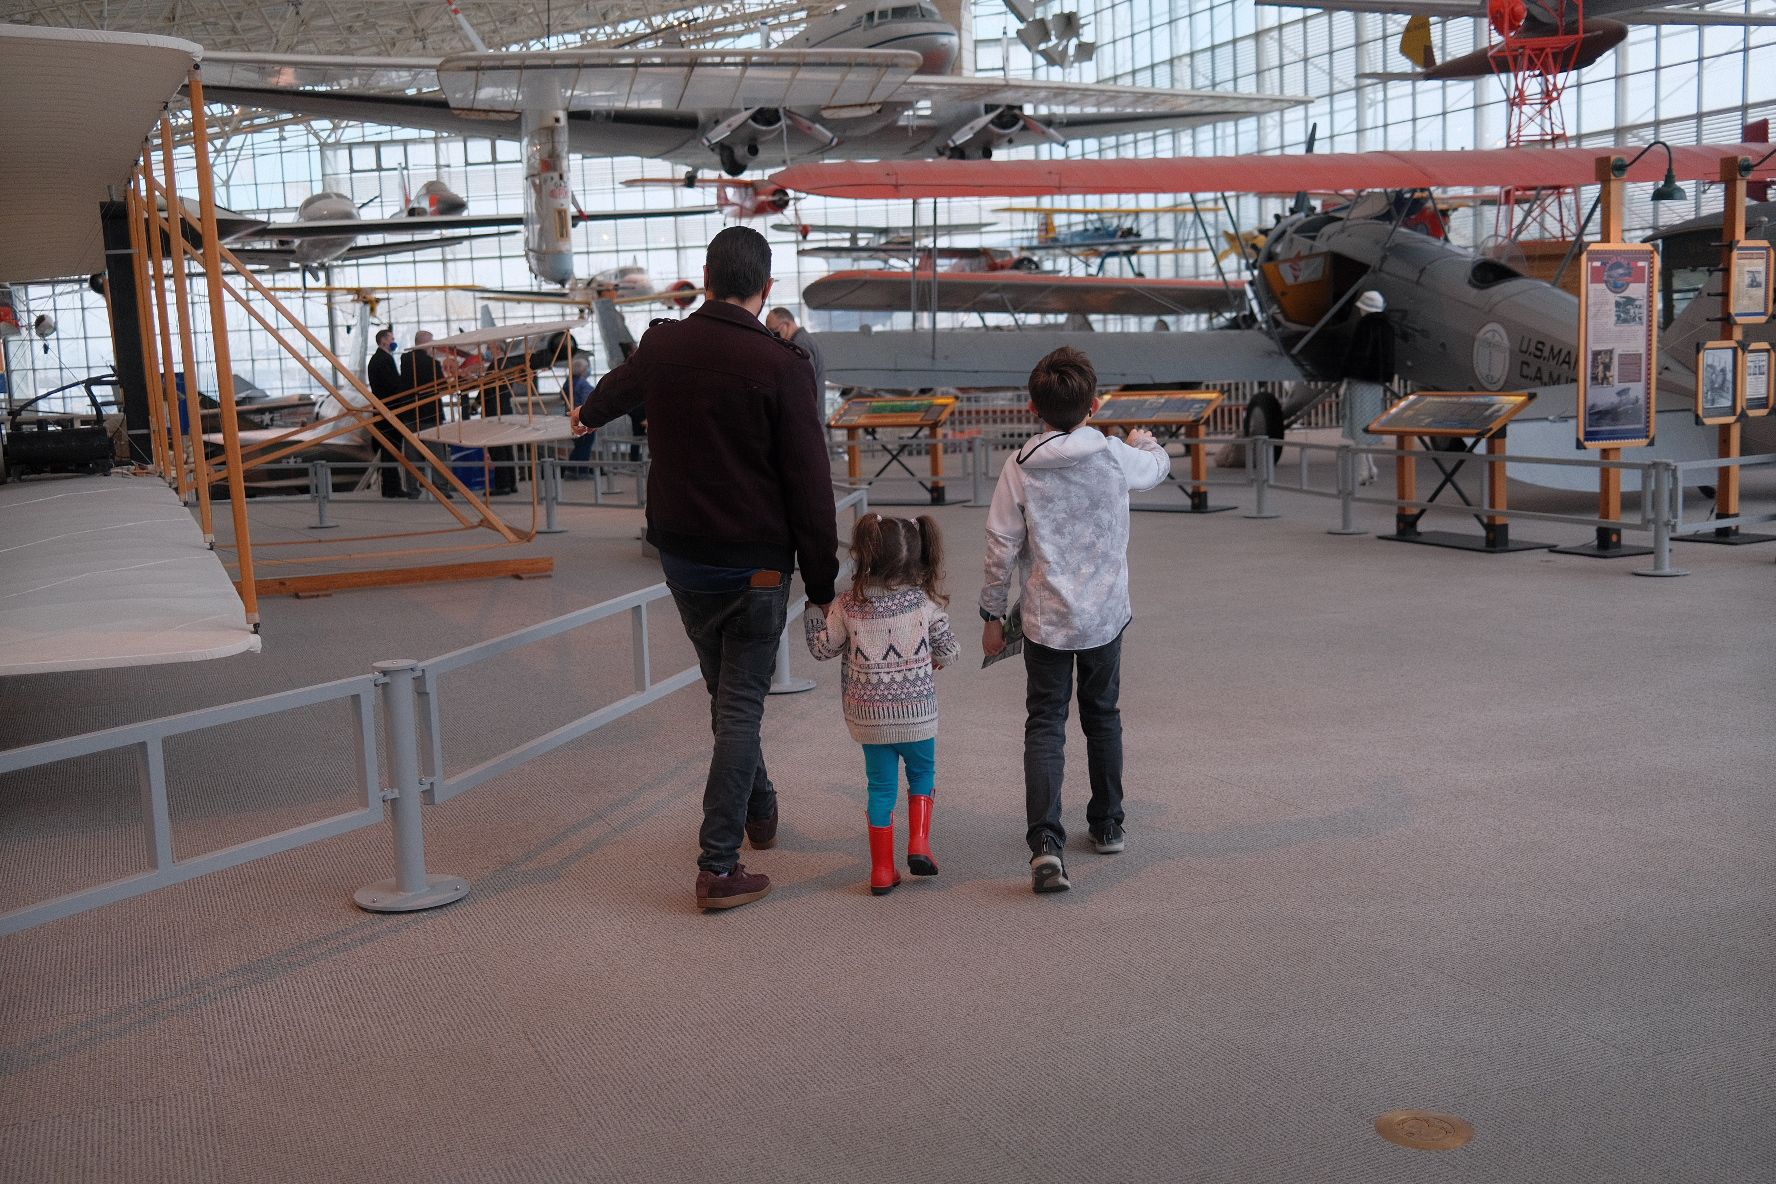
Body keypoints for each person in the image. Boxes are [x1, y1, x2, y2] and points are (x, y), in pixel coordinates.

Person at [572, 226, 839, 911]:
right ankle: (718, 865)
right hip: (756, 566)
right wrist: (823, 583)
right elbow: (809, 484)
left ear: (706, 277)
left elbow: (617, 390)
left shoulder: (665, 344)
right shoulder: (783, 365)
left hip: (684, 558)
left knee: (727, 697)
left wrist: (587, 413)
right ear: (766, 288)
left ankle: (761, 809)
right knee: (740, 706)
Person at [979, 346, 1170, 894]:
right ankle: (1107, 824)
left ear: (1033, 408)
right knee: (1102, 714)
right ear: (1094, 405)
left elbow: (999, 546)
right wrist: (1145, 442)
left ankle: (1045, 843)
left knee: (1045, 722)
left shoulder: (1019, 467)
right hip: (1105, 614)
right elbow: (1156, 469)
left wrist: (992, 612)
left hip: (1046, 618)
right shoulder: (1114, 454)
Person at [804, 513, 959, 896]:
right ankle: (919, 843)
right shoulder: (923, 603)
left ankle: (882, 870)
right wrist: (933, 656)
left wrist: (813, 612)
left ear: (866, 555)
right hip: (917, 716)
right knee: (922, 775)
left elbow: (822, 649)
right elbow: (949, 650)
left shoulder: (848, 604)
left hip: (870, 719)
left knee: (880, 788)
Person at [1342, 290, 1394, 486]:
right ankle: (1370, 468)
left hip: (1360, 381)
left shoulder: (1365, 326)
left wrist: (1346, 374)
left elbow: (1358, 355)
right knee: (1367, 426)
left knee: (1358, 428)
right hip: (1376, 384)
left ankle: (1365, 470)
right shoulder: (1387, 327)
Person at [398, 330, 446, 498]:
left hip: (410, 412)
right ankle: (441, 487)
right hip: (430, 413)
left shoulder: (405, 360)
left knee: (411, 453)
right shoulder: (433, 363)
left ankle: (413, 488)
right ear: (427, 343)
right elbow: (441, 384)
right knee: (435, 452)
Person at [366, 327, 404, 498]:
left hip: (381, 410)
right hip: (389, 410)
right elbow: (393, 385)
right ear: (383, 341)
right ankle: (393, 488)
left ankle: (390, 487)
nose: (394, 342)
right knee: (391, 450)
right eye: (391, 339)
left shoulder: (376, 359)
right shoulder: (383, 359)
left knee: (388, 450)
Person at [765, 306, 825, 397]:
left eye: (773, 330)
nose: (773, 336)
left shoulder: (801, 344)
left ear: (786, 324)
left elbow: (805, 382)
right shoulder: (803, 340)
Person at [563, 355, 596, 478]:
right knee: (585, 444)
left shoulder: (568, 383)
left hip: (571, 418)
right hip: (583, 418)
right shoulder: (583, 384)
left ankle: (571, 470)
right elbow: (586, 402)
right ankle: (582, 471)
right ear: (583, 370)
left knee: (579, 445)